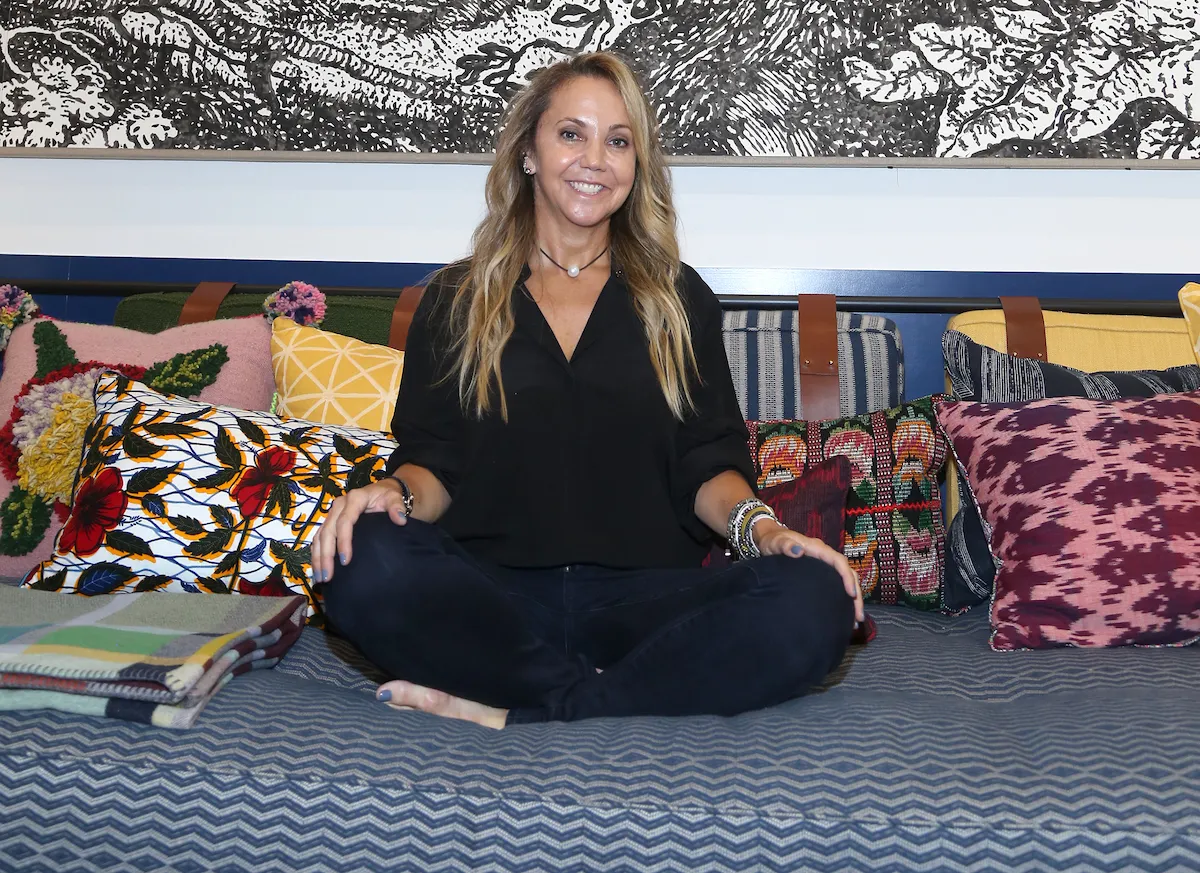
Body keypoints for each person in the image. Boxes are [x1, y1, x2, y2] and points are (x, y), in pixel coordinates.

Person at [313, 51, 863, 729]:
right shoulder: (457, 297)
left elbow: (707, 463)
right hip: (491, 599)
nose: (594, 158)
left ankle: (514, 705)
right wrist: (391, 495)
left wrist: (767, 531)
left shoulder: (677, 298)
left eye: (618, 140)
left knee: (816, 598)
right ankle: (616, 695)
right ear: (528, 154)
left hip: (647, 601)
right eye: (571, 133)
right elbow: (437, 461)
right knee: (356, 556)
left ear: (637, 168)